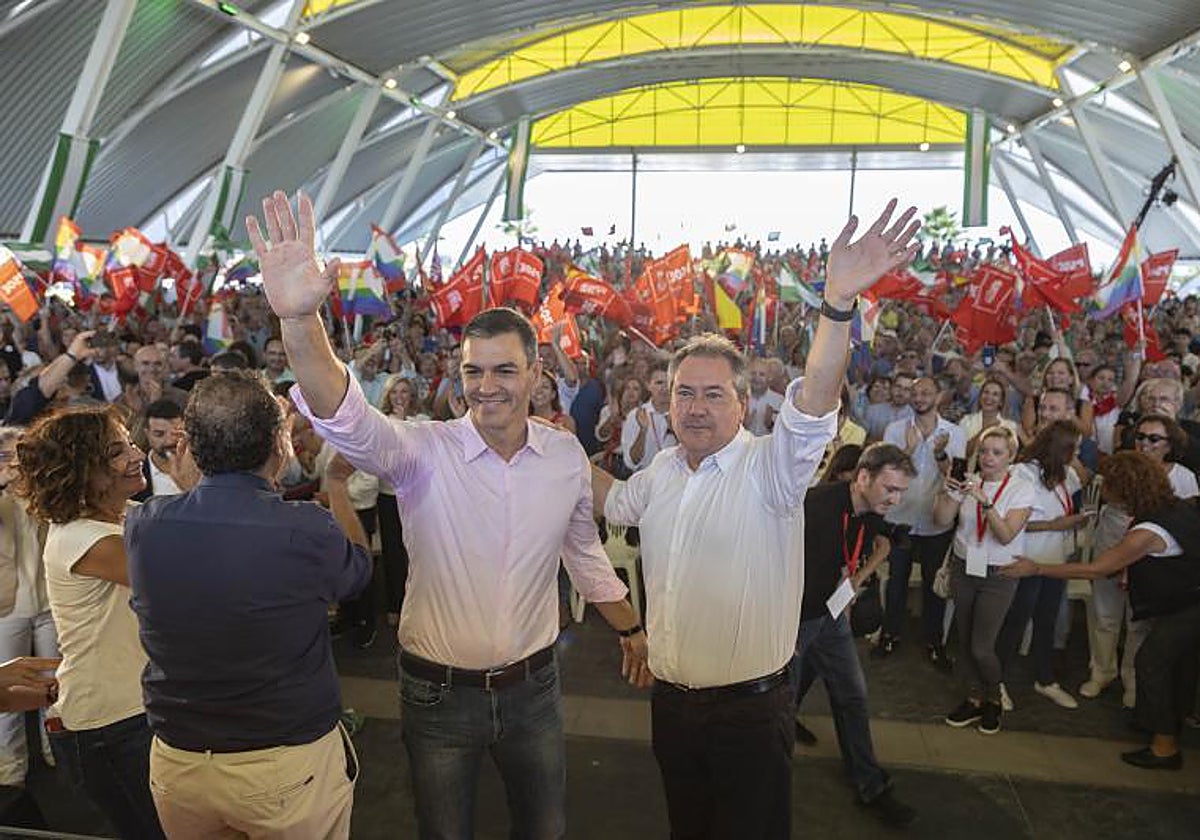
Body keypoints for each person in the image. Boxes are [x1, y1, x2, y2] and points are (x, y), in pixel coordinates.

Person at [247, 191, 647, 839]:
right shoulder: (420, 452)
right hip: (437, 697)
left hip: (535, 692)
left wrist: (631, 628)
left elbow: (584, 553)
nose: (487, 386)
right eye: (473, 371)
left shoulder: (564, 457)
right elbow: (346, 416)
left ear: (535, 373)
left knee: (545, 830)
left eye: (504, 370)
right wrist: (298, 320)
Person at [593, 199, 921, 838]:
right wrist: (542, 440)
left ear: (742, 405)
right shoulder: (661, 472)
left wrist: (837, 305)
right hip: (671, 706)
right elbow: (613, 499)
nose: (695, 407)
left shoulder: (773, 468)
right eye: (684, 393)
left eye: (713, 394)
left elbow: (816, 397)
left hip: (748, 715)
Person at [127, 371, 372, 837]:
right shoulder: (304, 528)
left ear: (188, 447)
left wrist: (193, 489)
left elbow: (208, 535)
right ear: (280, 444)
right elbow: (356, 573)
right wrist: (337, 486)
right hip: (281, 763)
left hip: (180, 762)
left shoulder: (144, 524)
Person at [13, 407, 166, 838]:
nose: (137, 455)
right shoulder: (85, 538)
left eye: (130, 443)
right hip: (111, 725)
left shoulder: (125, 515)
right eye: (117, 452)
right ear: (82, 470)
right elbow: (185, 579)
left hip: (137, 709)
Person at [1005, 452, 1200, 770]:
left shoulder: (1148, 531)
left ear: (1125, 489)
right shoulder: (1174, 506)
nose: (1103, 487)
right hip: (1184, 600)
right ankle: (1154, 721)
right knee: (1165, 664)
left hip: (1189, 607)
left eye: (1109, 483)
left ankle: (1165, 747)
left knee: (1151, 664)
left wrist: (1037, 568)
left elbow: (1096, 569)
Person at [791, 444, 917, 829]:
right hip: (795, 620)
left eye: (901, 492)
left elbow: (879, 541)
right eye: (890, 489)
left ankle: (870, 786)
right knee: (775, 707)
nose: (895, 500)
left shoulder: (870, 510)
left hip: (830, 618)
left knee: (852, 696)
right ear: (863, 477)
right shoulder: (817, 506)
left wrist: (851, 583)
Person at [933, 426, 1034, 735]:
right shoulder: (969, 481)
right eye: (984, 451)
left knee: (981, 647)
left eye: (997, 452)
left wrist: (985, 502)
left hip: (999, 573)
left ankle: (994, 697)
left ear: (1011, 457)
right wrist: (949, 492)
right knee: (964, 640)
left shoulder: (1021, 488)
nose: (988, 458)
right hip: (964, 567)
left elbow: (1005, 535)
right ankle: (974, 698)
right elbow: (941, 520)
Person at [994, 420, 1091, 711]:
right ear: (1061, 448)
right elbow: (1009, 522)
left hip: (1054, 559)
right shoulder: (1023, 473)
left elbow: (1084, 480)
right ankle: (996, 680)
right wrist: (1054, 525)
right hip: (1027, 558)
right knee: (1016, 620)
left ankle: (1045, 678)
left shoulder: (1065, 473)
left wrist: (1072, 522)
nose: (1078, 454)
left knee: (1046, 620)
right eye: (1074, 448)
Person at [877, 376, 965, 670]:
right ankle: (890, 635)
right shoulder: (895, 429)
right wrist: (908, 449)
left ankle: (934, 642)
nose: (919, 397)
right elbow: (886, 472)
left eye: (926, 392)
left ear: (938, 396)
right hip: (900, 518)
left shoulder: (955, 433)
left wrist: (940, 454)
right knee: (896, 581)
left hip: (935, 519)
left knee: (933, 585)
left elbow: (957, 477)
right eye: (915, 393)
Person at [0, 428, 57, 789]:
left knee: (55, 684)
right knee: (7, 690)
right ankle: (10, 769)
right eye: (6, 457)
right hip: (7, 608)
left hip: (51, 602)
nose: (14, 465)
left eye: (20, 457)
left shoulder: (46, 494)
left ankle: (58, 750)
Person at [376, 375, 428, 627]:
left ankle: (422, 604)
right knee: (393, 552)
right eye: (394, 392)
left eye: (404, 391)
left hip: (418, 495)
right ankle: (395, 604)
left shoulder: (423, 421)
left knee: (420, 550)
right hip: (389, 496)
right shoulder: (381, 423)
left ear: (412, 395)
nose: (399, 397)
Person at [621, 361, 674, 471]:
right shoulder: (636, 415)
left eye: (669, 383)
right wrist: (643, 431)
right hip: (645, 478)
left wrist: (675, 432)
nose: (664, 388)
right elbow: (632, 462)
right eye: (659, 383)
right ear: (648, 385)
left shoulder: (684, 415)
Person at [744, 357, 784, 436]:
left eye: (762, 374)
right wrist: (741, 426)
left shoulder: (779, 401)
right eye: (753, 373)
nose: (757, 378)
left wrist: (770, 425)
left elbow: (784, 435)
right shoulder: (740, 399)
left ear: (769, 377)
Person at [531, 369, 576, 434]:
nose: (539, 391)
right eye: (534, 386)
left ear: (553, 394)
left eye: (545, 387)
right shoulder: (523, 422)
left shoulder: (566, 422)